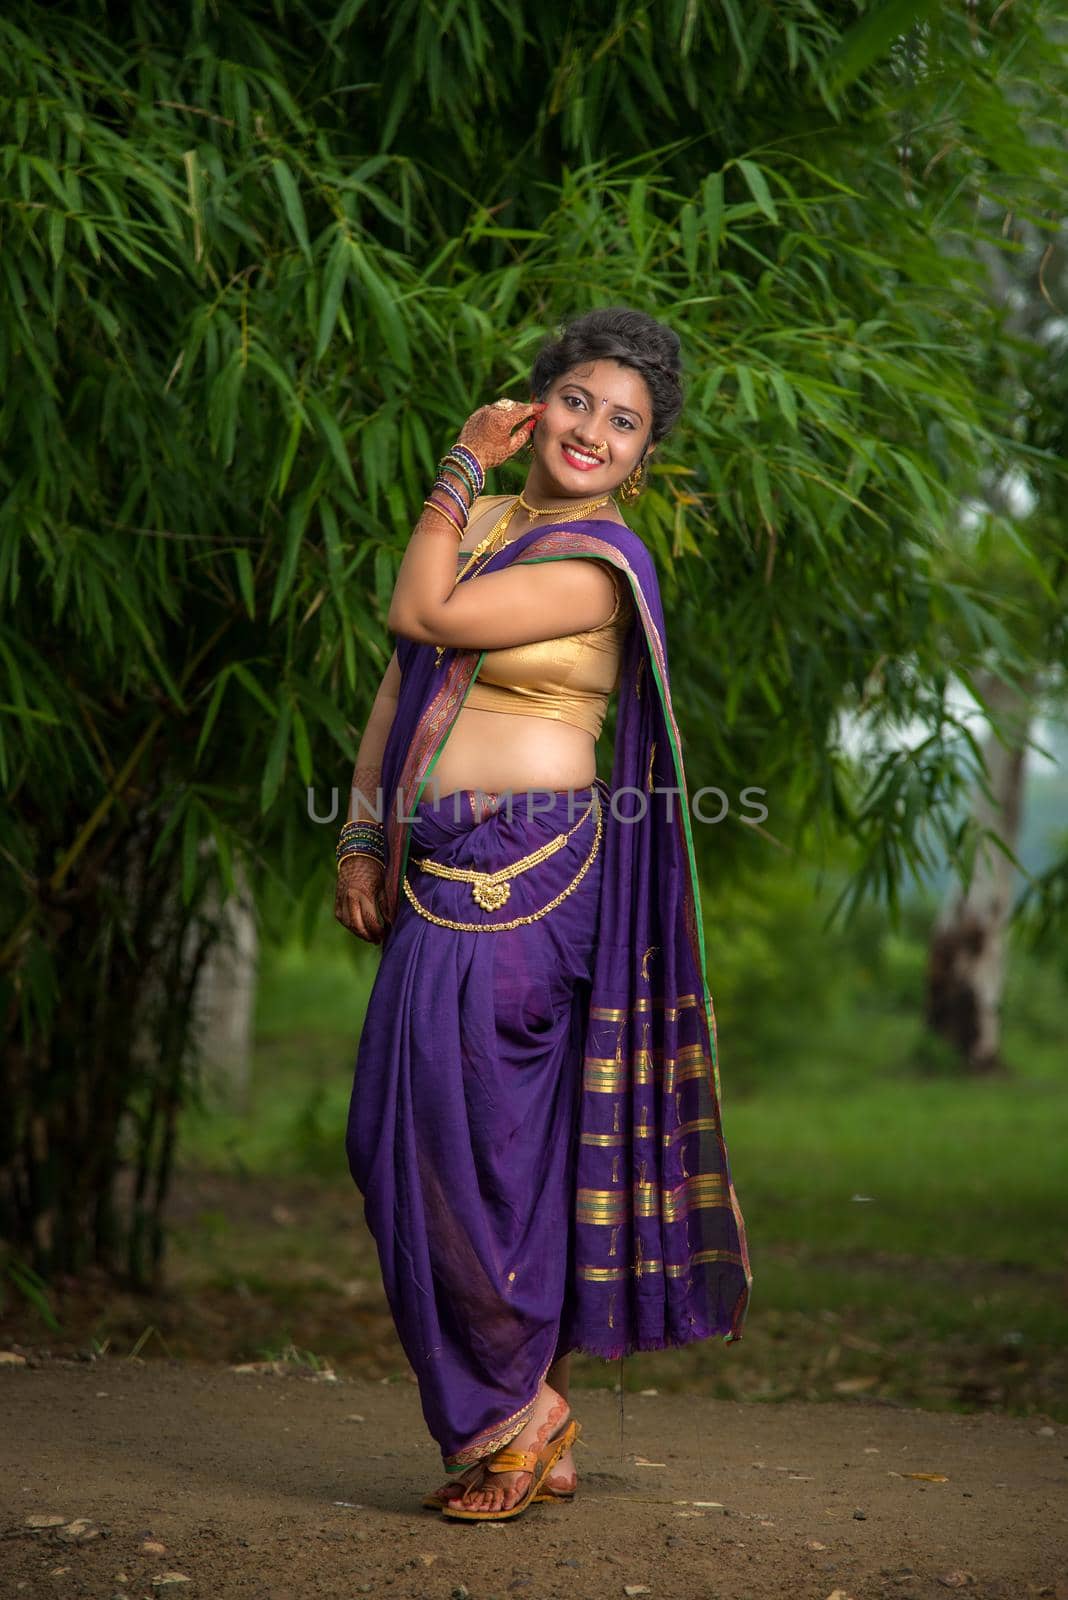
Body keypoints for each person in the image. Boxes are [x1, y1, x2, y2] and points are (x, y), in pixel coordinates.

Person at [337, 307, 752, 1523]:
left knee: (477, 1143)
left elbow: (425, 614)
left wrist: (458, 466)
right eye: (577, 401)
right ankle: (531, 1411)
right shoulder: (502, 530)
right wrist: (364, 832)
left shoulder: (596, 563)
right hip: (441, 862)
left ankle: (513, 1418)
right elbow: (399, 677)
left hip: (533, 871)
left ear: (641, 458)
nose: (592, 430)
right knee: (415, 1136)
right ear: (540, 404)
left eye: (623, 423)